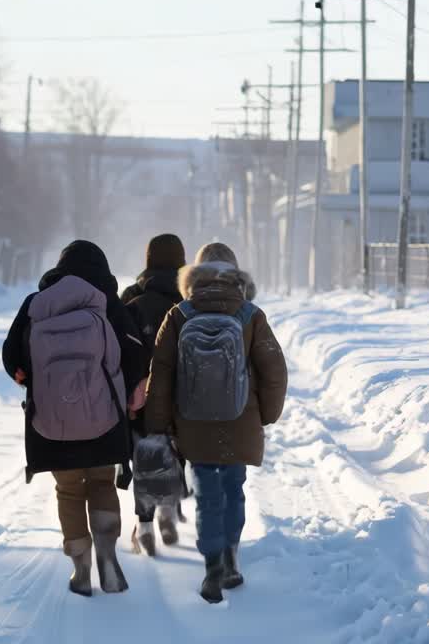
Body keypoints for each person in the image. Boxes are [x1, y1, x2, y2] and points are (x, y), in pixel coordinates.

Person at [1, 240, 148, 597]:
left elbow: (11, 355)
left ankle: (80, 568)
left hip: (51, 422)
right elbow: (134, 351)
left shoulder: (36, 304)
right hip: (103, 419)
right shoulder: (106, 302)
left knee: (67, 490)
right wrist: (133, 392)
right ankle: (109, 558)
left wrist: (23, 373)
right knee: (101, 483)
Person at [144, 242, 287, 604]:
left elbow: (161, 374)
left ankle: (212, 566)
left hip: (193, 423)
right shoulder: (251, 314)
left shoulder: (178, 315)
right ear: (237, 276)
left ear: (195, 275)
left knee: (207, 494)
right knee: (233, 489)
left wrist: (159, 423)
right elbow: (274, 372)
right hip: (240, 418)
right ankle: (232, 559)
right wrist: (264, 415)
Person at [121, 234, 187, 555]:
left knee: (145, 454)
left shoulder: (132, 299)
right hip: (182, 394)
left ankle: (144, 525)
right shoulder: (191, 299)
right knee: (175, 450)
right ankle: (167, 511)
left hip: (141, 394)